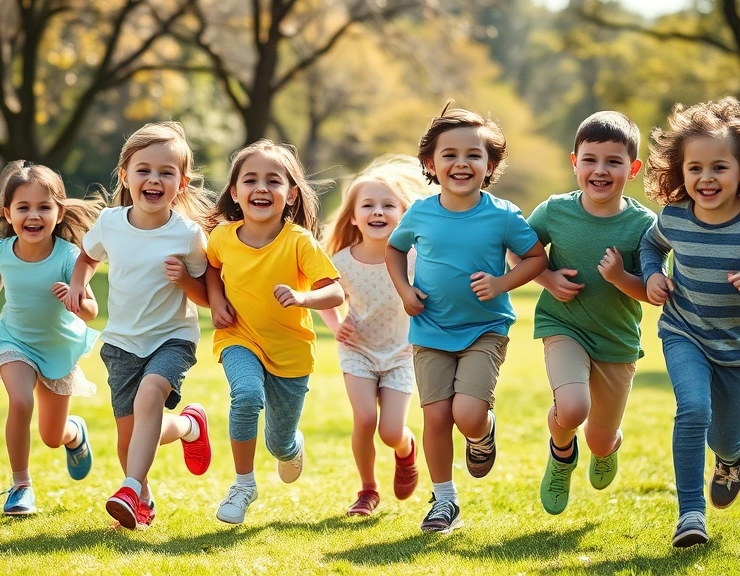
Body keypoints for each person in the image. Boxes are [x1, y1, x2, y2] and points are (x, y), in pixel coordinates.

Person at [387, 105, 547, 533]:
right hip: (431, 330)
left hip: (485, 329)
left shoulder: (504, 214)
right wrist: (405, 292)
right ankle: (445, 501)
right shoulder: (420, 212)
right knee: (437, 417)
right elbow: (394, 249)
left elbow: (535, 259)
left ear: (490, 165)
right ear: (430, 164)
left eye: (474, 155)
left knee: (468, 413)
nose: (461, 163)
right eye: (450, 155)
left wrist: (501, 284)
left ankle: (482, 432)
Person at [64, 122, 214, 530]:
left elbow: (204, 293)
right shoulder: (111, 223)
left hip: (172, 338)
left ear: (181, 183)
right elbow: (87, 257)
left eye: (166, 172)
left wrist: (185, 280)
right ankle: (184, 432)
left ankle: (129, 487)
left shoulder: (187, 235)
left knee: (150, 396)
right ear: (125, 176)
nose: (154, 179)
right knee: (129, 436)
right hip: (122, 343)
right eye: (143, 169)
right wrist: (78, 285)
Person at [640, 97, 740, 548]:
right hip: (685, 332)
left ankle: (731, 456)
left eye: (719, 168)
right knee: (693, 409)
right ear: (681, 172)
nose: (706, 178)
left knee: (724, 436)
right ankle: (690, 515)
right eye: (695, 168)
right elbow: (651, 246)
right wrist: (653, 274)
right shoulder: (674, 217)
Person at [521, 112, 657, 515]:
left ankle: (604, 447)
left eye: (613, 162)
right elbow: (520, 250)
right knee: (573, 407)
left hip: (616, 339)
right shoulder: (554, 211)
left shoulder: (644, 224)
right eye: (590, 159)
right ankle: (562, 453)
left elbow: (652, 292)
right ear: (574, 162)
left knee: (600, 438)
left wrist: (619, 277)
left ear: (632, 169)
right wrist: (546, 277)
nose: (600, 170)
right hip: (563, 324)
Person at [205, 140, 344, 525]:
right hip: (239, 337)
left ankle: (290, 447)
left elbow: (335, 291)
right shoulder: (222, 236)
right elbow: (212, 268)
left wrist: (302, 297)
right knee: (246, 396)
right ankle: (243, 484)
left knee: (278, 443)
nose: (261, 188)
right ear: (235, 192)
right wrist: (217, 301)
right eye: (250, 180)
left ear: (291, 194)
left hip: (290, 352)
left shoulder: (298, 241)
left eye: (273, 181)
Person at [0, 160, 103, 516]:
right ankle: (20, 486)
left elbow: (92, 310)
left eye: (44, 207)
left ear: (59, 213)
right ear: (8, 213)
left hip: (58, 349)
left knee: (51, 436)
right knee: (20, 402)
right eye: (24, 207)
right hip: (15, 341)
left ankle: (74, 433)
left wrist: (74, 301)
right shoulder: (0, 251)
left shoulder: (68, 257)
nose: (34, 215)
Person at [318, 155, 434, 516]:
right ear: (353, 216)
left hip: (401, 352)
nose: (378, 212)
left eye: (388, 205)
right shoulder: (341, 260)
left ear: (403, 214)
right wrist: (338, 326)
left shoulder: (416, 259)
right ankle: (367, 489)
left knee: (390, 430)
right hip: (359, 351)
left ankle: (406, 449)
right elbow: (325, 294)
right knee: (365, 419)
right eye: (368, 205)